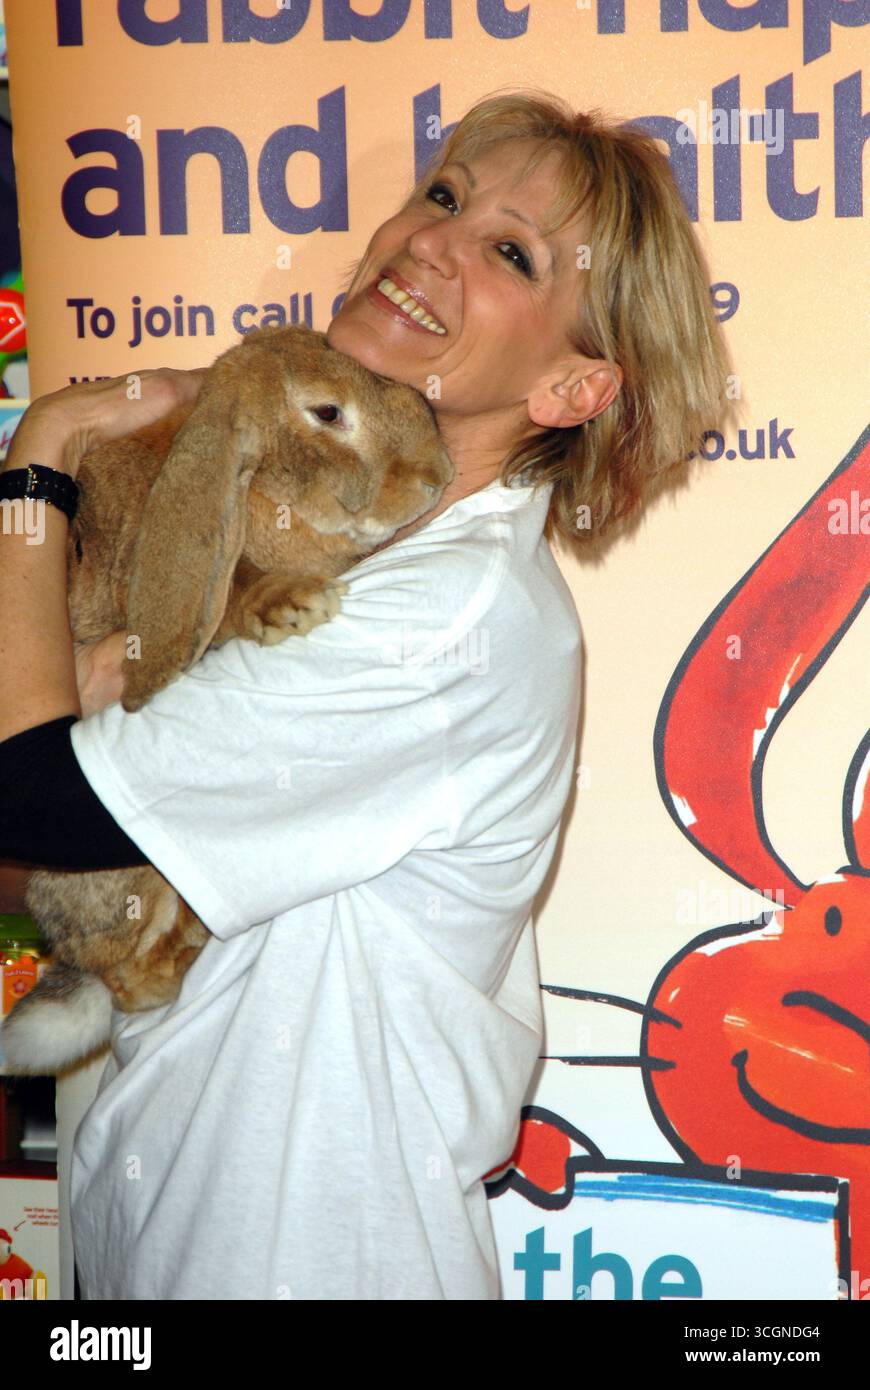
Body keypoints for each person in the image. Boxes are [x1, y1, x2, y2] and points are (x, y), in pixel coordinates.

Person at [0, 90, 731, 1299]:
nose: (432, 241)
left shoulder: (446, 615)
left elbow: (34, 803)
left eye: (512, 253)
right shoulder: (325, 565)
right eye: (442, 196)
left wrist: (44, 458)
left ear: (573, 390)